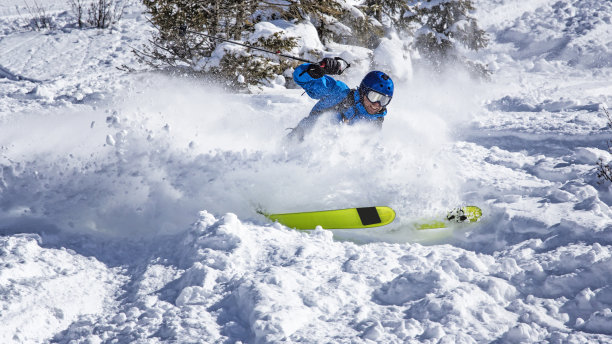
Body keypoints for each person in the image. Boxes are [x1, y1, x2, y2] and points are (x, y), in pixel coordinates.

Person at [287, 57, 394, 141]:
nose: (377, 104)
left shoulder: (376, 120)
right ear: (363, 91)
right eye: (373, 97)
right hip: (298, 144)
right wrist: (313, 72)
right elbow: (300, 78)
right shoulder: (340, 94)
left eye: (384, 100)